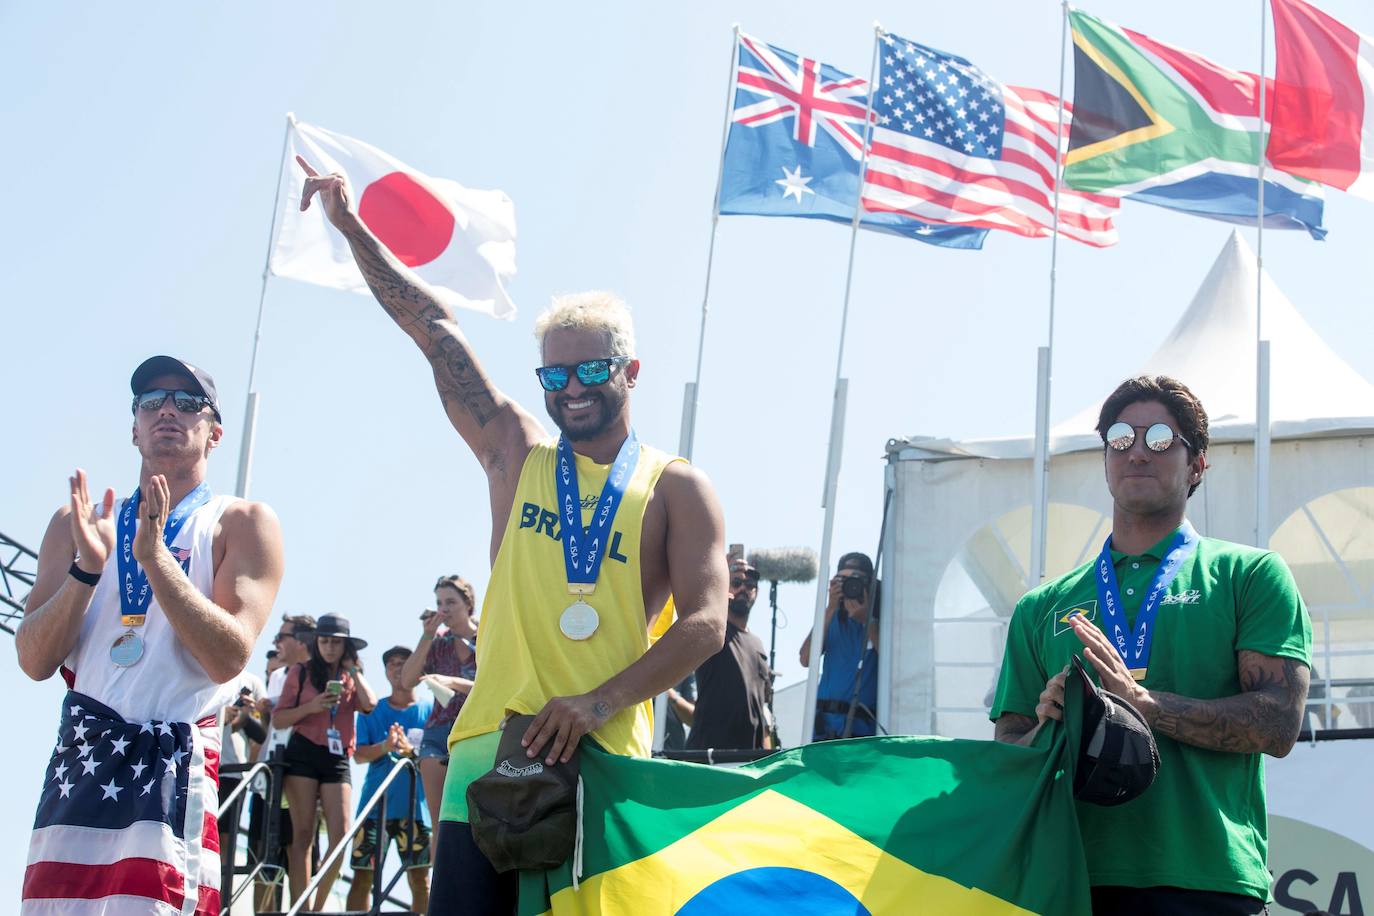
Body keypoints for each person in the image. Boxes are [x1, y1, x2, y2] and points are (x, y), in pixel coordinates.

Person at [298, 156, 729, 915]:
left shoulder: (675, 485)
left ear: (630, 369)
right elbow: (434, 331)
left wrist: (600, 701)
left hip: (602, 760)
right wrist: (349, 225)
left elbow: (705, 623)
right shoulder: (515, 456)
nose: (572, 390)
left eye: (591, 370)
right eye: (553, 378)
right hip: (484, 757)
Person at [991, 375, 1312, 916]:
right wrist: (1051, 728)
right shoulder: (1040, 606)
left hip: (1207, 880)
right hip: (1067, 881)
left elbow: (1279, 724)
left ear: (1197, 465)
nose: (1138, 451)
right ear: (1105, 460)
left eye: (1161, 438)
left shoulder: (1249, 574)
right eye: (1120, 437)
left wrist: (1142, 705)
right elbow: (1006, 757)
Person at [16, 355, 285, 915]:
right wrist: (85, 573)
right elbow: (34, 660)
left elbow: (228, 656)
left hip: (170, 765)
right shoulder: (79, 524)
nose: (167, 410)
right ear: (133, 427)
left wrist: (157, 561)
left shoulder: (242, 521)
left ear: (214, 433)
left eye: (187, 403)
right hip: (85, 757)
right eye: (151, 401)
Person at [271, 613, 378, 911]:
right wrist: (312, 706)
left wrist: (354, 671)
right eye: (325, 641)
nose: (329, 647)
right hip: (303, 751)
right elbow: (278, 719)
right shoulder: (300, 673)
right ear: (316, 642)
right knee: (302, 833)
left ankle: (317, 907)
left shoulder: (350, 676)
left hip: (338, 756)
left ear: (346, 646)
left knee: (341, 837)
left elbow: (370, 704)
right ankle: (301, 908)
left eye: (336, 642)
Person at [348, 645, 434, 914]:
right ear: (385, 671)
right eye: (392, 663)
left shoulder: (431, 710)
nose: (397, 667)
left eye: (403, 662)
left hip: (417, 811)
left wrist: (412, 751)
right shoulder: (370, 711)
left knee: (421, 880)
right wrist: (385, 746)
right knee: (363, 877)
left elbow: (441, 754)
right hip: (374, 809)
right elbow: (358, 754)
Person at [668, 557, 772, 751]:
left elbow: (761, 710)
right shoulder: (713, 630)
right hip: (710, 757)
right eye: (736, 583)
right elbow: (697, 604)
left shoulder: (758, 644)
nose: (744, 589)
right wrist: (717, 575)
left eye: (750, 585)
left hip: (749, 760)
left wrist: (766, 758)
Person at [400, 574, 478, 828]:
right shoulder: (438, 642)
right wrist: (427, 635)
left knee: (475, 816)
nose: (443, 609)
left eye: (450, 602)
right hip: (437, 733)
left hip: (475, 731)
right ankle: (441, 869)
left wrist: (452, 682)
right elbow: (407, 681)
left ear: (468, 604)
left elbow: (495, 687)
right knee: (441, 822)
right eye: (439, 603)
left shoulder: (487, 637)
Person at [251, 613, 316, 911]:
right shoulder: (277, 676)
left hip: (303, 771)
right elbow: (272, 726)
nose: (276, 643)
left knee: (299, 850)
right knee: (262, 853)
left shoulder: (319, 674)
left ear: (302, 640)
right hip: (270, 774)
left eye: (282, 637)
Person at [800, 552, 879, 739]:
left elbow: (895, 666)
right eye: (841, 580)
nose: (849, 586)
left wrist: (867, 620)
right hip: (824, 727)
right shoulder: (831, 618)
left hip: (862, 731)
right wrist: (830, 608)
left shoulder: (882, 619)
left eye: (855, 580)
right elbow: (805, 659)